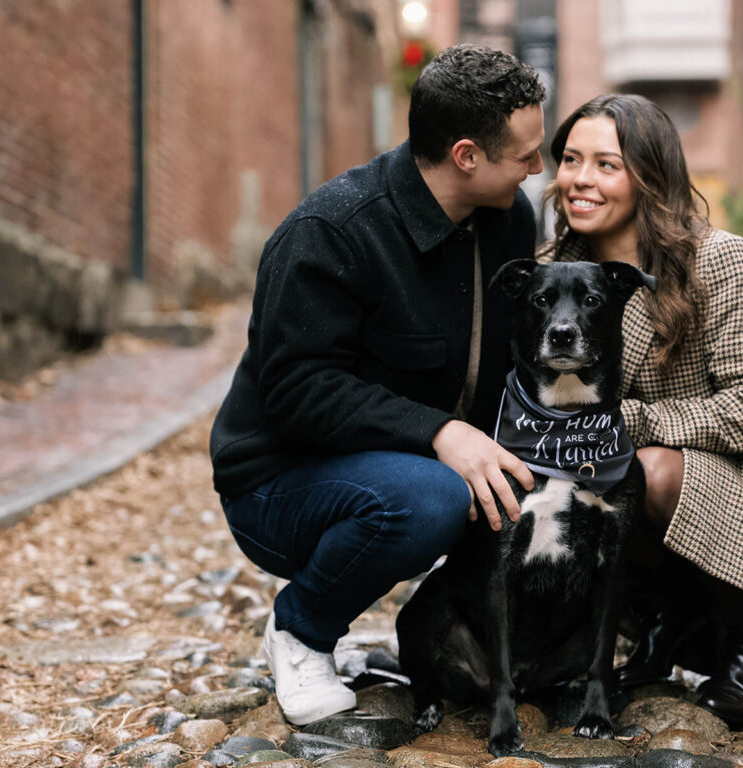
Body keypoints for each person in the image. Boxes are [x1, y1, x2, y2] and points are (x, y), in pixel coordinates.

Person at [209, 44, 545, 726]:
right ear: (466, 156)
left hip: (414, 463)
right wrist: (441, 432)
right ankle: (301, 630)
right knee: (432, 499)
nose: (539, 168)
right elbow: (297, 392)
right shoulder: (330, 233)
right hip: (280, 486)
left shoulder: (509, 221)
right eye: (526, 155)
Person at [540, 93, 743, 728]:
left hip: (737, 482)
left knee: (644, 466)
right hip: (611, 487)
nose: (580, 180)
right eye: (570, 160)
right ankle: (662, 617)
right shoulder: (555, 275)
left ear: (650, 178)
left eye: (606, 165)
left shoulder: (717, 260)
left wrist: (637, 424)